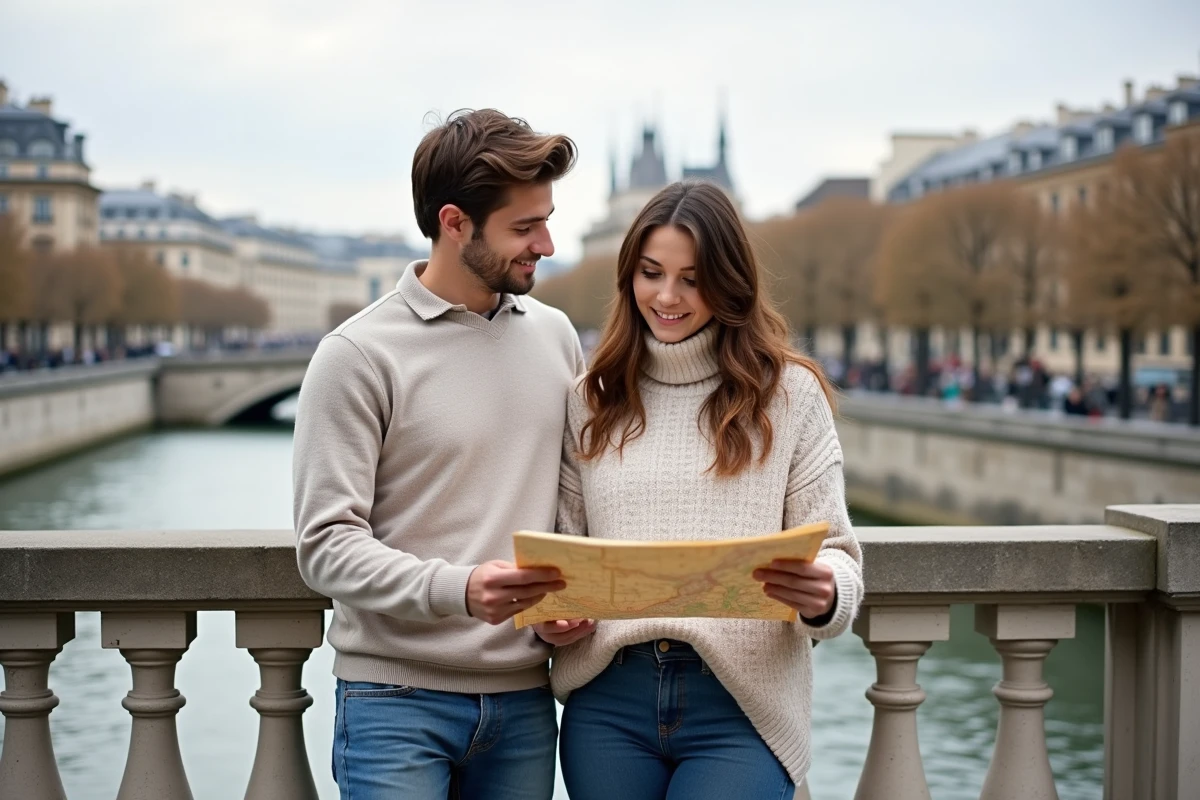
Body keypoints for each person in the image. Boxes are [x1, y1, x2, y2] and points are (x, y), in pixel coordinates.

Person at [539, 181, 864, 799]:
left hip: (743, 706)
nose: (667, 296)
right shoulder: (590, 399)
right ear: (628, 276)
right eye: (651, 273)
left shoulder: (790, 395)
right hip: (608, 704)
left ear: (729, 282)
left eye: (692, 279)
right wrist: (552, 618)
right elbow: (564, 549)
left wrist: (826, 594)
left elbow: (839, 554)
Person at [293, 109, 583, 800]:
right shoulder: (356, 355)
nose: (545, 244)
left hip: (525, 701)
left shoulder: (557, 336)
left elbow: (573, 501)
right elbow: (325, 546)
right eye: (525, 227)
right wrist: (459, 589)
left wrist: (571, 596)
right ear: (454, 223)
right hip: (394, 702)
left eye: (546, 221)